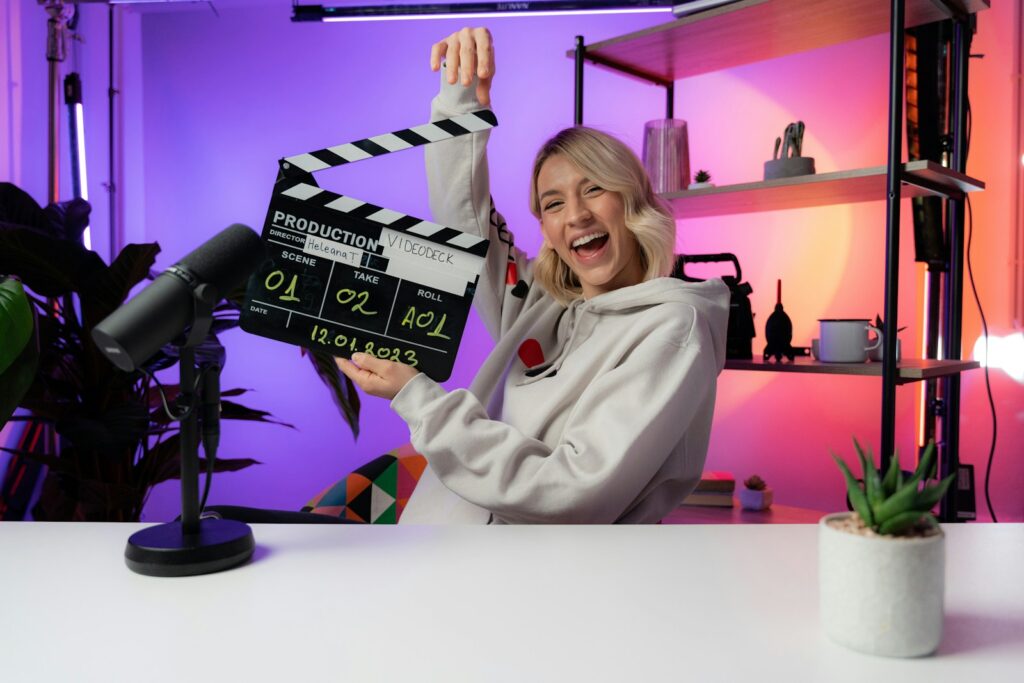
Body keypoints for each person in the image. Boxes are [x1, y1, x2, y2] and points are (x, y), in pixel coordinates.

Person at [337, 27, 730, 524]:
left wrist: (419, 400)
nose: (576, 216)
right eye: (553, 203)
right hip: (438, 562)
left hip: (542, 587)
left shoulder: (674, 329)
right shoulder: (535, 305)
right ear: (544, 226)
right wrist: (461, 103)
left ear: (632, 198)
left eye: (594, 189)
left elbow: (574, 492)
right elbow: (466, 223)